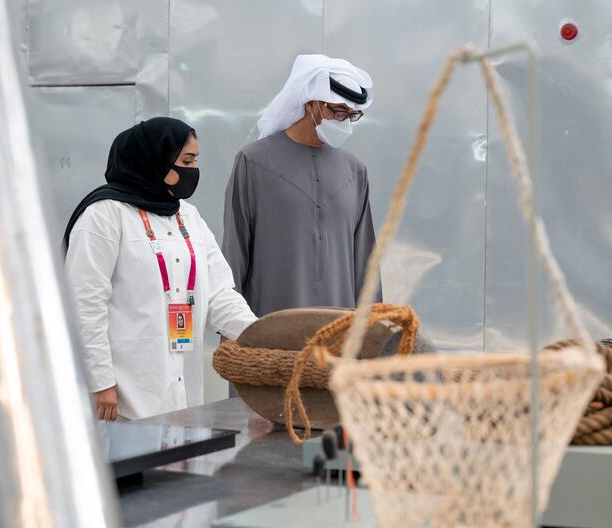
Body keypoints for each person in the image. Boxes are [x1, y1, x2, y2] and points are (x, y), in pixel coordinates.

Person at [64, 117, 257, 421]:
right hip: (122, 396)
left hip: (181, 391)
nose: (192, 170)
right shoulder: (104, 215)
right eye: (186, 160)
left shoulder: (188, 216)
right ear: (154, 159)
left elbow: (219, 293)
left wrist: (262, 336)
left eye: (194, 161)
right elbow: (84, 303)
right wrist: (100, 382)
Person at [222, 54, 381, 317]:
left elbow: (365, 258)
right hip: (271, 328)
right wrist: (229, 321)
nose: (344, 121)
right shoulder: (254, 161)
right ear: (311, 104)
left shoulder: (354, 171)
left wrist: (374, 325)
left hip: (339, 331)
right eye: (338, 111)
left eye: (352, 115)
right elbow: (235, 247)